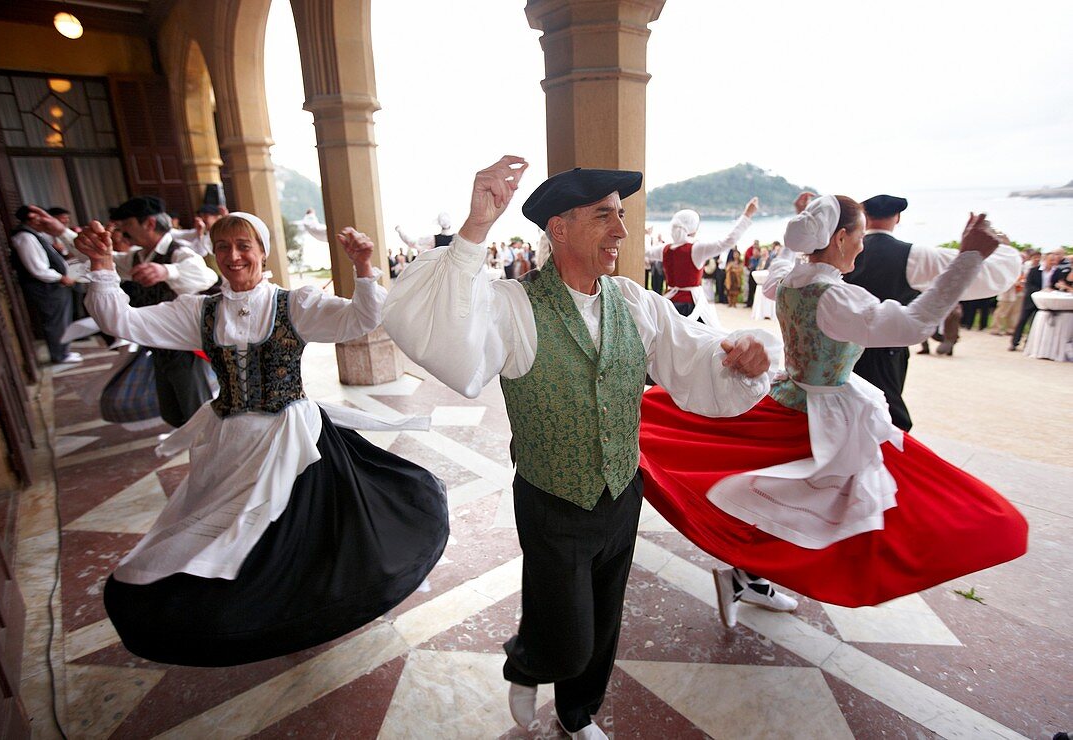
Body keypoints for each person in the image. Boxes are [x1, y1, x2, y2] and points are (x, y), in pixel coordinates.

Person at [382, 157, 773, 740]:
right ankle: (530, 662)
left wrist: (744, 354)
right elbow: (434, 329)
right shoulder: (512, 306)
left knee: (604, 617)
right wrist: (473, 228)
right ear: (559, 229)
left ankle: (576, 713)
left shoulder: (635, 303)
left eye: (620, 216)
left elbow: (696, 352)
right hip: (551, 498)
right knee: (569, 631)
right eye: (603, 217)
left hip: (621, 491)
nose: (620, 231)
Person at [73, 212, 449, 667]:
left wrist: (364, 267)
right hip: (229, 443)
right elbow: (122, 321)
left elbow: (359, 320)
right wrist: (100, 265)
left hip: (292, 436)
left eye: (244, 245)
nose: (233, 256)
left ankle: (302, 606)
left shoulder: (294, 305)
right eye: (224, 246)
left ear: (262, 251)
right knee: (233, 533)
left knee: (300, 531)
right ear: (213, 252)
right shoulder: (199, 310)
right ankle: (244, 612)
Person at [639, 196, 1027, 624]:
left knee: (779, 501)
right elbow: (914, 323)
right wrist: (969, 257)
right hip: (825, 417)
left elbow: (779, 270)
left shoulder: (788, 281)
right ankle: (768, 576)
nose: (862, 247)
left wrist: (801, 226)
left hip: (786, 399)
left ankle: (749, 577)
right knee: (868, 508)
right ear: (840, 237)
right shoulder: (835, 299)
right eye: (859, 237)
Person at [847, 194, 1018, 430]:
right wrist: (1003, 251)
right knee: (886, 419)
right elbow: (989, 277)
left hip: (837, 348)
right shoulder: (914, 255)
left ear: (864, 217)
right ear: (897, 218)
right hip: (885, 352)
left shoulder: (842, 249)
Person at [108, 196, 219, 427]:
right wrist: (64, 235)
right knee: (172, 412)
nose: (125, 233)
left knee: (195, 413)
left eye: (128, 226)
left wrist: (168, 271)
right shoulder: (139, 255)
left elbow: (207, 277)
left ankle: (207, 451)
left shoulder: (178, 253)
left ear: (148, 223)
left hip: (182, 346)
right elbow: (112, 262)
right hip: (159, 344)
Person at [657, 198, 757, 324]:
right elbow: (727, 242)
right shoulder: (696, 249)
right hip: (690, 305)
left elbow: (646, 251)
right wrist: (747, 215)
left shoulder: (665, 249)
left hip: (670, 304)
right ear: (693, 228)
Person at [10, 205, 83, 364]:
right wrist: (60, 277)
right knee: (55, 321)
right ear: (31, 219)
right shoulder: (25, 237)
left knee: (61, 319)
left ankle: (63, 351)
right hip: (46, 287)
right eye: (39, 218)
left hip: (54, 284)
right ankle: (59, 354)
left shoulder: (35, 235)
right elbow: (37, 268)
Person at [1010, 246, 1065, 351]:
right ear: (1045, 260)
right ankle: (1014, 342)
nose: (1053, 262)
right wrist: (1041, 290)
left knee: (1035, 323)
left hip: (1045, 302)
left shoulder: (1057, 272)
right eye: (1051, 260)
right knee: (1022, 320)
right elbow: (1029, 285)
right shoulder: (1034, 270)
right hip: (1031, 299)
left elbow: (1057, 285)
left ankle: (1029, 344)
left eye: (1055, 260)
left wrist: (1055, 288)